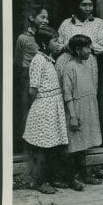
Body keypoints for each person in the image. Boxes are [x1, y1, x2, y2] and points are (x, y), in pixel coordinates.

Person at [23, 26, 68, 194]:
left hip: (53, 107)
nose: (58, 44)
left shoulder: (48, 59)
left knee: (54, 145)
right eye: (55, 41)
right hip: (44, 109)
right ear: (43, 43)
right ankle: (40, 181)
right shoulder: (38, 60)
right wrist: (42, 105)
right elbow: (32, 89)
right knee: (43, 147)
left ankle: (52, 178)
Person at [61, 34, 102, 190]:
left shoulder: (87, 64)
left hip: (88, 108)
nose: (90, 50)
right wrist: (72, 116)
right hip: (77, 110)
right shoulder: (69, 67)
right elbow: (68, 94)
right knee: (74, 145)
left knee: (83, 144)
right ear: (77, 50)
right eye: (87, 48)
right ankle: (71, 178)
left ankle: (84, 175)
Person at [14, 4, 49, 151]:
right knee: (27, 110)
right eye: (42, 17)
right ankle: (25, 145)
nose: (46, 20)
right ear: (32, 18)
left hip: (45, 80)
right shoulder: (23, 38)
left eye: (47, 18)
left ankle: (41, 145)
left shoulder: (47, 37)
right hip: (28, 79)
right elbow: (17, 61)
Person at [56, 0, 103, 91]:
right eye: (84, 5)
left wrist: (85, 47)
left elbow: (101, 47)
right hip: (66, 64)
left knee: (85, 96)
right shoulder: (66, 23)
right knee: (67, 95)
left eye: (90, 5)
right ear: (76, 6)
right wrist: (67, 46)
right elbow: (57, 46)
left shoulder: (97, 23)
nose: (88, 8)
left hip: (87, 65)